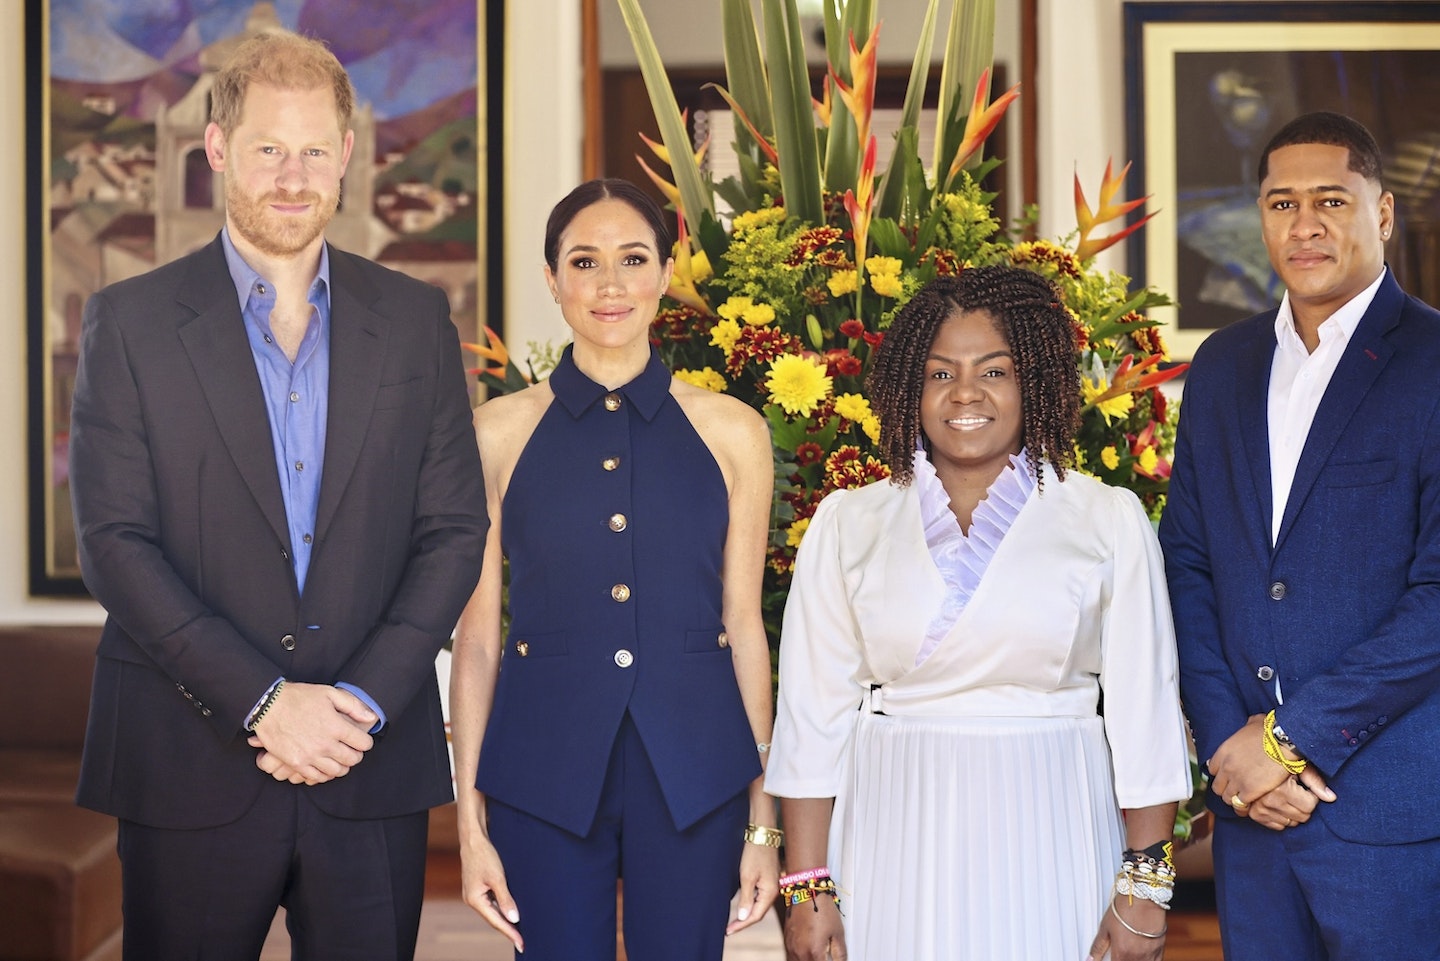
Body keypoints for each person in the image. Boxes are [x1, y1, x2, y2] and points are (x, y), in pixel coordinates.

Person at [68, 31, 488, 960]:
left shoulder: (416, 321)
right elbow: (115, 541)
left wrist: (358, 705)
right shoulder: (129, 323)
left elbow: (455, 530)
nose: (291, 177)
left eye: (312, 150)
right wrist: (266, 702)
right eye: (267, 149)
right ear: (216, 149)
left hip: (366, 760)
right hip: (187, 760)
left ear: (346, 155)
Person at [766, 266, 1194, 961]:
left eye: (994, 370)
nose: (965, 393)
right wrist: (808, 885)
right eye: (940, 374)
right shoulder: (850, 521)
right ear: (910, 386)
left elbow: (1144, 714)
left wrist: (1145, 883)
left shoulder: (1104, 518)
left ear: (1036, 382)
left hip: (1054, 817)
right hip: (890, 827)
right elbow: (812, 717)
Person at [448, 178, 780, 960]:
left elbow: (745, 627)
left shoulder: (735, 431)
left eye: (633, 259)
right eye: (584, 261)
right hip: (541, 773)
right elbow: (477, 641)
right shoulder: (495, 433)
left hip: (698, 775)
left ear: (667, 272)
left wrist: (762, 823)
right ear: (552, 280)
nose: (609, 284)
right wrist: (469, 823)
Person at [1159, 110, 1440, 959]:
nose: (1304, 224)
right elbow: (1189, 562)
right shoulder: (1223, 366)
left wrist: (1287, 740)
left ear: (1383, 212)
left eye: (1331, 199)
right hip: (1254, 821)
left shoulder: (1433, 360)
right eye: (1282, 203)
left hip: (1388, 815)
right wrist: (1228, 748)